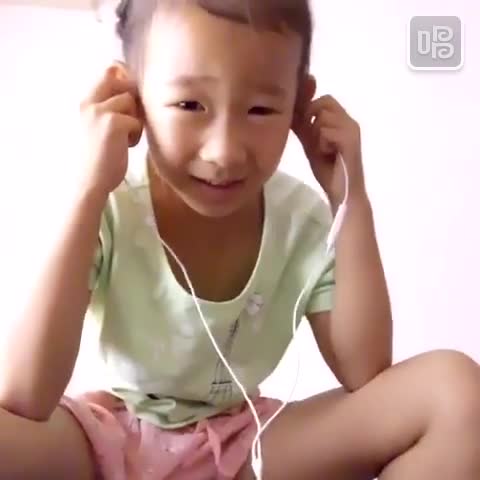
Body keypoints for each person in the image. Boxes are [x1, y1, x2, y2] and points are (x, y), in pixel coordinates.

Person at [1, 1, 480, 479]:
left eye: (260, 109)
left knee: (452, 391)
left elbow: (366, 374)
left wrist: (350, 199)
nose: (224, 152)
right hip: (110, 439)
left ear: (298, 106)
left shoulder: (301, 222)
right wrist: (87, 192)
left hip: (245, 447)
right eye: (190, 105)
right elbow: (24, 396)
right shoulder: (109, 206)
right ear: (131, 96)